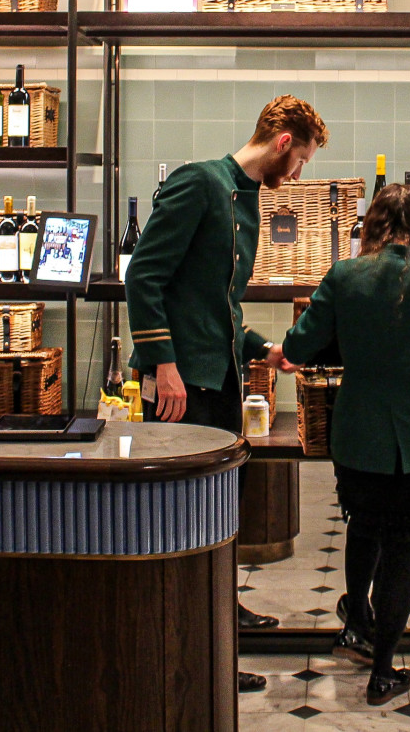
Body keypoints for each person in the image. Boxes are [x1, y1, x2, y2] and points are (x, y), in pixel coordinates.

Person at [125, 94, 327, 694]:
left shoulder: (244, 200)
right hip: (181, 386)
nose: (298, 175)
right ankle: (191, 650)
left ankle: (217, 616)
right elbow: (145, 275)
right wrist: (162, 364)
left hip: (215, 380)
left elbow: (219, 302)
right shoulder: (202, 184)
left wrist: (261, 348)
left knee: (212, 514)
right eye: (302, 160)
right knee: (179, 519)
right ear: (284, 141)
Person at [280, 184, 410, 706]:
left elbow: (299, 346)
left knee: (363, 528)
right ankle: (384, 670)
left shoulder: (345, 276)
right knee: (402, 552)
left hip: (358, 433)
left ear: (371, 225)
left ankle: (356, 624)